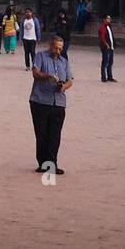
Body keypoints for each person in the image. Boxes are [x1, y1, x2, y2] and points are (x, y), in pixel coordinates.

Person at [29, 33, 73, 174]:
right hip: (40, 100)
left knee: (55, 135)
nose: (58, 51)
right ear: (50, 46)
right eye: (55, 48)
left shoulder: (64, 61)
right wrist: (48, 76)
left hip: (58, 102)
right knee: (42, 134)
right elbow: (35, 73)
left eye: (60, 49)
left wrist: (64, 86)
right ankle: (43, 163)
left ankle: (51, 163)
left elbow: (70, 80)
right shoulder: (41, 56)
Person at [99, 13, 117, 82]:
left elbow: (111, 37)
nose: (109, 20)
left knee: (110, 62)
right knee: (105, 62)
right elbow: (102, 37)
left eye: (109, 18)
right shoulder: (102, 27)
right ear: (104, 19)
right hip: (106, 47)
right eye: (108, 18)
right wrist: (106, 44)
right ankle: (103, 77)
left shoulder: (109, 27)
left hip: (110, 47)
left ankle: (110, 76)